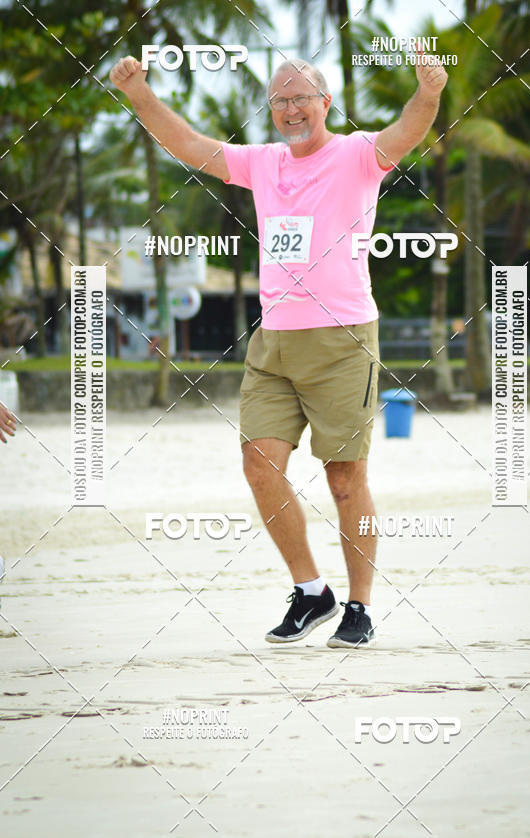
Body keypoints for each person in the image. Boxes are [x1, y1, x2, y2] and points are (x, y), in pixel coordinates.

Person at [109, 49, 447, 648]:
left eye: (301, 98)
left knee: (346, 479)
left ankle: (360, 606)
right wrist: (139, 95)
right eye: (280, 101)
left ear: (326, 104)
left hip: (343, 339)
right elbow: (190, 146)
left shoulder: (357, 154)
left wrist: (428, 91)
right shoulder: (262, 164)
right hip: (273, 341)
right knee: (259, 466)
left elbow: (408, 130)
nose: (291, 109)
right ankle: (311, 592)